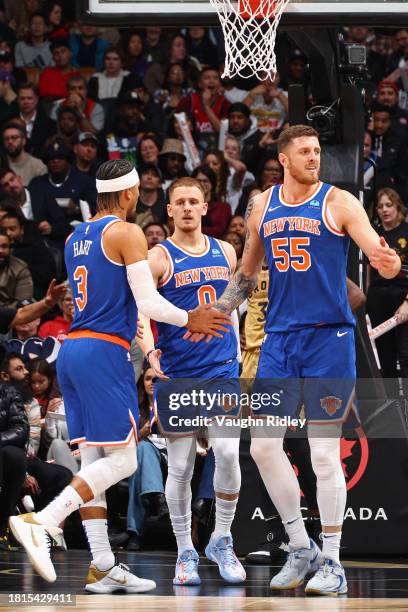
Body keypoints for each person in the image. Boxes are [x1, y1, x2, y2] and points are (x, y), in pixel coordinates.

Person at [8, 159, 231, 589]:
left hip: (72, 350)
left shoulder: (76, 236)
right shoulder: (126, 232)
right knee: (124, 459)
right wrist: (191, 319)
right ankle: (45, 521)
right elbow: (147, 302)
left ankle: (104, 564)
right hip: (103, 351)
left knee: (93, 462)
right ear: (130, 194)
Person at [211, 124, 401, 596]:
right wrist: (214, 311)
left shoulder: (339, 202)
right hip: (279, 340)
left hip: (328, 341)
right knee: (262, 446)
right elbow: (247, 274)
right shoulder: (264, 207)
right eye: (305, 151)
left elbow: (376, 247)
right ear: (284, 159)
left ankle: (333, 560)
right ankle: (300, 547)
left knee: (321, 451)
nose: (314, 157)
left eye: (317, 150)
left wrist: (388, 261)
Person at [137, 176, 245, 586]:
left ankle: (222, 538)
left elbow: (234, 302)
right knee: (180, 466)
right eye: (178, 202)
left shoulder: (226, 251)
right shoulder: (158, 258)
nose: (185, 207)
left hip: (221, 371)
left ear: (204, 207)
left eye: (193, 201)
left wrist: (236, 345)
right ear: (169, 210)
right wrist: (150, 354)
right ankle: (185, 550)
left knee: (229, 455)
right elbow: (140, 311)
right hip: (177, 374)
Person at [366, 187, 408, 400]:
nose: (384, 210)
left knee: (405, 352)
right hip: (378, 297)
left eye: (388, 205)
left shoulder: (406, 230)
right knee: (385, 354)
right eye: (380, 206)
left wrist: (407, 302)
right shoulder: (372, 234)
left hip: (403, 295)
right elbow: (367, 271)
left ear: (397, 206)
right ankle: (394, 411)